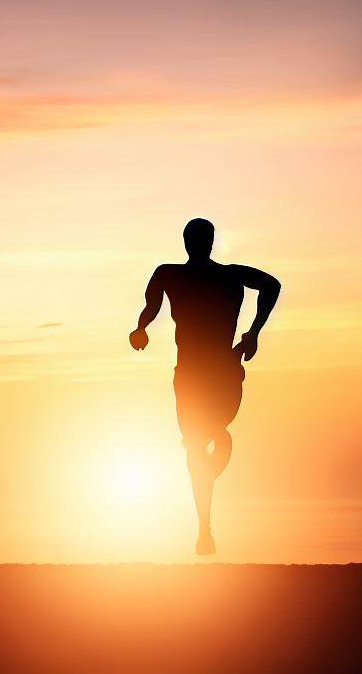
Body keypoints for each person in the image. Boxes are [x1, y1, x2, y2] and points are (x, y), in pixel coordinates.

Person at [129, 218, 281, 555]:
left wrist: (254, 333)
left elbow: (272, 285)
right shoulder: (171, 274)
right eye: (192, 238)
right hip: (193, 374)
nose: (195, 244)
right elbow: (151, 305)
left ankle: (217, 451)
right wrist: (141, 328)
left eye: (199, 238)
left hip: (218, 370)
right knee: (197, 447)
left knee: (205, 439)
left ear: (207, 242)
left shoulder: (225, 274)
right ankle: (204, 531)